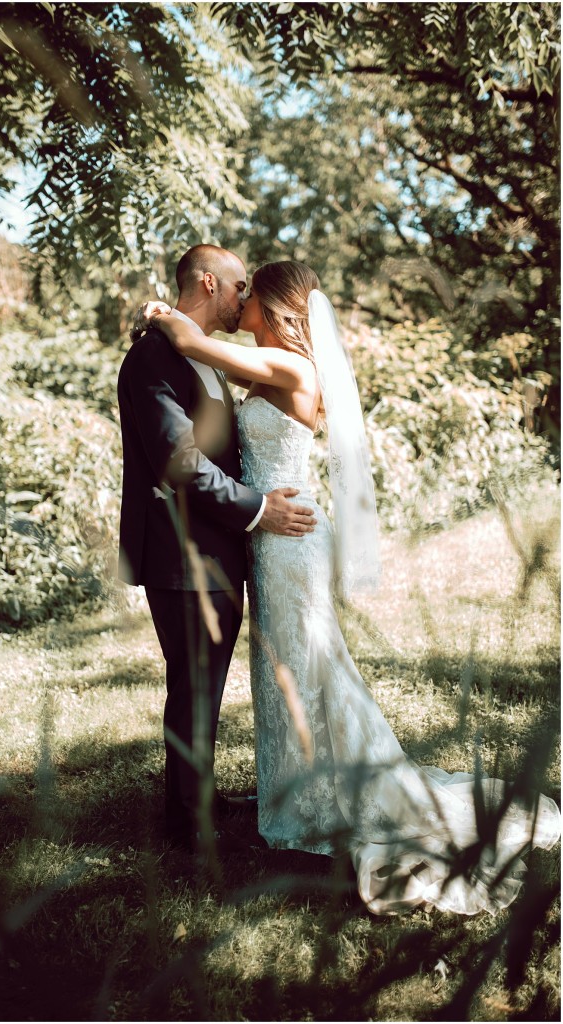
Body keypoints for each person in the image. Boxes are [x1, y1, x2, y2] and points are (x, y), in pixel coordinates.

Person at [138, 259, 561, 915]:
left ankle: (342, 793)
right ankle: (295, 790)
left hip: (287, 539)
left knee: (309, 665)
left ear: (276, 307)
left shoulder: (293, 369)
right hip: (271, 539)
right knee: (289, 667)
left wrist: (162, 315)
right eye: (237, 286)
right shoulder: (264, 363)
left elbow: (192, 343)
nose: (242, 297)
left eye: (251, 290)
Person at [117, 245, 317, 855]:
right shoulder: (153, 357)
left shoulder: (207, 358)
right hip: (183, 556)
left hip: (226, 550)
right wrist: (258, 509)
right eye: (236, 285)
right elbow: (180, 463)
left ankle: (196, 798)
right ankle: (187, 825)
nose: (242, 295)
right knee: (195, 688)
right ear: (209, 281)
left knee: (206, 685)